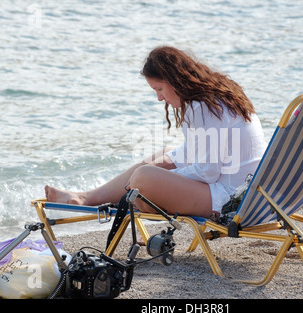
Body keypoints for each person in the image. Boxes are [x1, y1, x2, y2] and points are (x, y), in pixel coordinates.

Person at [45, 46, 267, 218]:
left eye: (159, 89)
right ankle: (85, 197)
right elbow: (194, 154)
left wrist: (157, 178)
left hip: (231, 200)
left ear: (175, 81)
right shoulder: (214, 97)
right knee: (165, 155)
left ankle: (121, 198)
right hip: (249, 194)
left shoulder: (203, 106)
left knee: (143, 177)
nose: (159, 98)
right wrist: (161, 167)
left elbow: (208, 171)